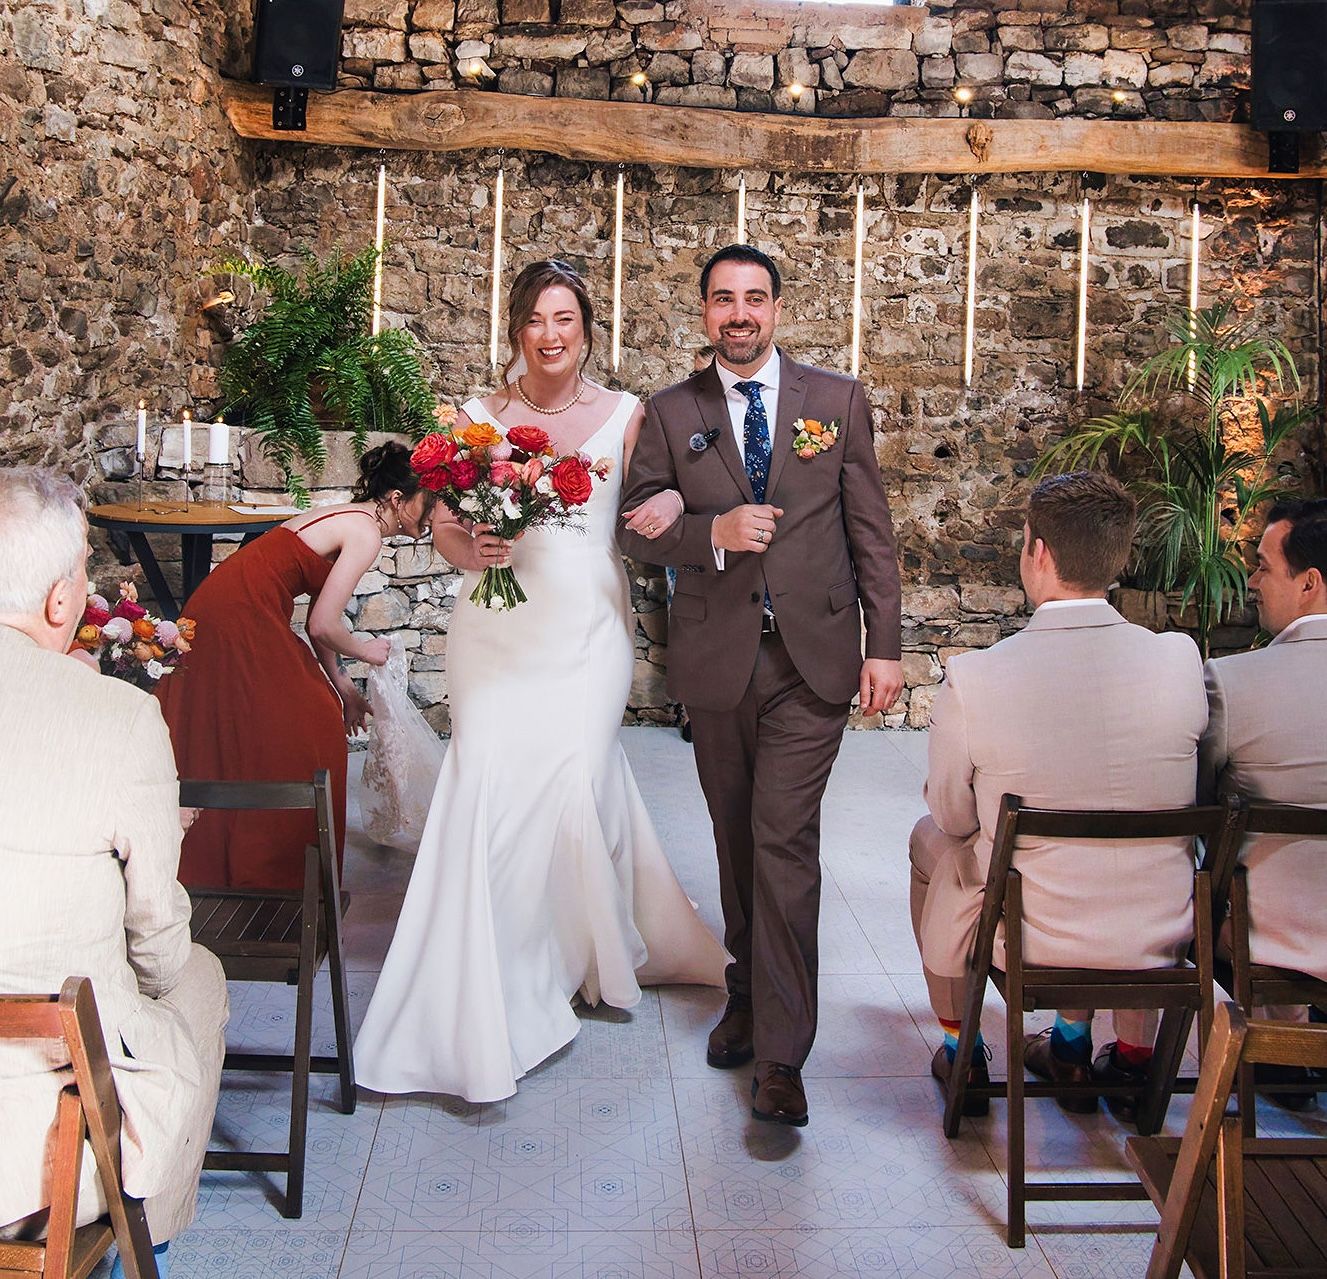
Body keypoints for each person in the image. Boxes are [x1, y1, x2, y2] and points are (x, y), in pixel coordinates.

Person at [355, 259, 729, 1104]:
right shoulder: (472, 419)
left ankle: (562, 958)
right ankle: (493, 973)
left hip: (587, 634)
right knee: (487, 780)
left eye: (565, 320)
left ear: (586, 330)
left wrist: (671, 510)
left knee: (570, 779)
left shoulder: (628, 418)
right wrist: (473, 549)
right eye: (535, 321)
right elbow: (446, 528)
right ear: (516, 328)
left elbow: (657, 505)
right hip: (494, 630)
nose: (550, 335)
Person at [617, 244, 904, 1128]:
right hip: (717, 662)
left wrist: (884, 645)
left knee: (783, 846)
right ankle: (744, 991)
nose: (737, 314)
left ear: (776, 308)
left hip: (811, 664)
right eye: (721, 300)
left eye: (753, 298)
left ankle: (782, 1054)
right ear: (703, 313)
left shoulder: (834, 401)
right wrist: (709, 528)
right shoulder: (669, 413)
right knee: (736, 840)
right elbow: (637, 530)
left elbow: (872, 532)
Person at [909, 472, 1208, 1125]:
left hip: (1028, 934)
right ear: (1118, 557)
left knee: (931, 840)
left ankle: (962, 1047)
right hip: (1153, 931)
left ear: (1035, 550)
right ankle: (1078, 1044)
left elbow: (953, 816)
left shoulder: (978, 676)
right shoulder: (1179, 660)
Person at [0, 467, 228, 1277]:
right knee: (195, 977)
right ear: (65, 601)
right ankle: (147, 1229)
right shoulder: (120, 715)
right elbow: (158, 934)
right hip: (32, 1112)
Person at [156, 443, 436, 890]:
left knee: (294, 720)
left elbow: (320, 618)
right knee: (311, 729)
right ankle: (279, 880)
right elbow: (325, 625)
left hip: (228, 607)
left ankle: (253, 871)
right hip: (237, 616)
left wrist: (343, 688)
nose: (430, 518)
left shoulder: (353, 516)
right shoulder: (366, 533)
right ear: (398, 499)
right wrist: (367, 651)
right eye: (428, 502)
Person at [1199, 496, 1327, 1108]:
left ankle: (1280, 1048)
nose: (1250, 581)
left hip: (1266, 939)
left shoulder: (1234, 683)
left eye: (1263, 567)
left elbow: (1194, 805)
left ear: (1309, 583)